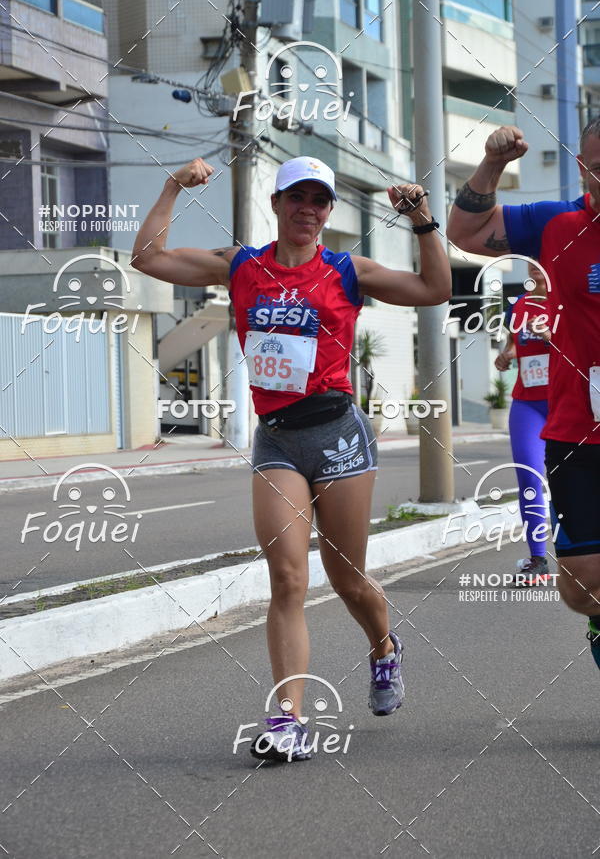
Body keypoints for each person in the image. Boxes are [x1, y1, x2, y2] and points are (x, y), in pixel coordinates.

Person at [132, 155, 451, 760]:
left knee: (348, 580)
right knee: (287, 579)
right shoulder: (242, 266)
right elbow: (147, 258)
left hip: (337, 434)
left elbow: (435, 290)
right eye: (297, 197)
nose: (309, 209)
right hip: (276, 438)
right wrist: (173, 186)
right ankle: (286, 719)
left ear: (329, 212)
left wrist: (424, 222)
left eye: (320, 200)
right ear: (276, 205)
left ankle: (384, 648)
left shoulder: (346, 270)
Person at [447, 121, 600, 670]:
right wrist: (491, 164)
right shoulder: (557, 223)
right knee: (582, 587)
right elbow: (465, 233)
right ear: (583, 168)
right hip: (576, 430)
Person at [495, 262, 551, 585]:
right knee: (530, 478)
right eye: (531, 264)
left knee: (573, 480)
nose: (535, 271)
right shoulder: (517, 305)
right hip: (527, 403)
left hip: (566, 403)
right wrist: (507, 355)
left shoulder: (569, 301)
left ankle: (584, 557)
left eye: (541, 265)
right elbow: (514, 344)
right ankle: (538, 560)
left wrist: (552, 337)